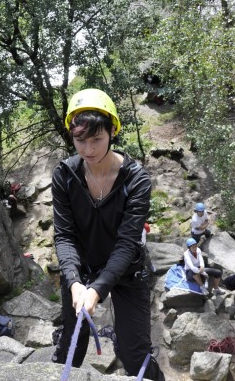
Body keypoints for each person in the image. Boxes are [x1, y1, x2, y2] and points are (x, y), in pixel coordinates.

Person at [51, 88, 164, 380]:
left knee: (133, 352)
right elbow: (64, 236)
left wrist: (98, 288)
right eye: (80, 141)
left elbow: (128, 242)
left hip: (127, 270)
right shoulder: (65, 175)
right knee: (71, 347)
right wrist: (75, 282)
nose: (88, 150)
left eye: (96, 139)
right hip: (83, 269)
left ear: (112, 131)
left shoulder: (136, 180)